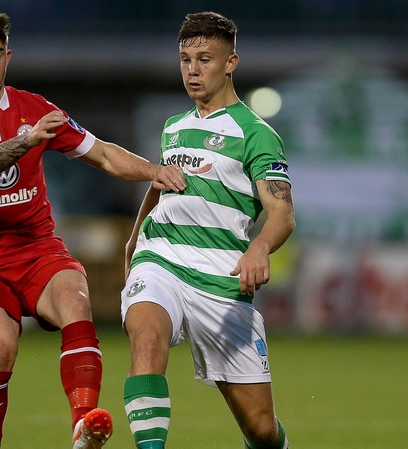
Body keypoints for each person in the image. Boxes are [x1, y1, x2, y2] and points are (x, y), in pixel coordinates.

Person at [0, 7, 186, 449]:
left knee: (75, 302)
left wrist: (153, 171)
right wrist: (26, 140)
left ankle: (84, 426)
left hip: (37, 248)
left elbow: (102, 153)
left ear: (8, 57)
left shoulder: (34, 108)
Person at [120, 11, 295, 449]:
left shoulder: (256, 134)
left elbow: (282, 211)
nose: (192, 71)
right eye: (185, 60)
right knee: (146, 336)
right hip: (161, 259)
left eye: (204, 59)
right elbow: (162, 184)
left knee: (261, 430)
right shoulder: (174, 127)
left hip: (221, 276)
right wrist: (135, 238)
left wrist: (259, 247)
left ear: (230, 62)